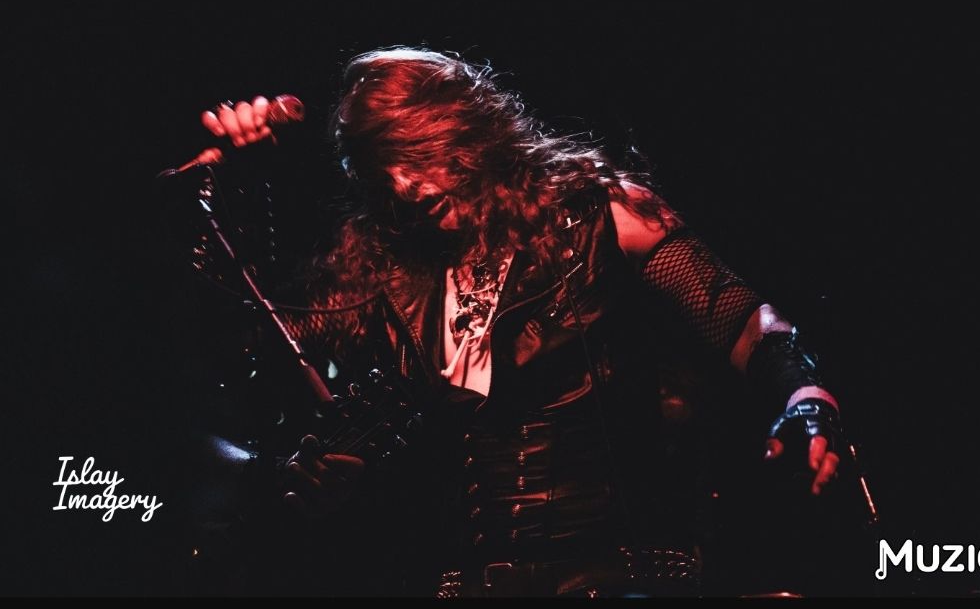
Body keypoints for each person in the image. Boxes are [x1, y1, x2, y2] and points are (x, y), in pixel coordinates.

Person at [195, 46, 846, 597]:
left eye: (413, 152)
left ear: (465, 129)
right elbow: (248, 351)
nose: (404, 184)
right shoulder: (385, 274)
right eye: (380, 170)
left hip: (618, 575)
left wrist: (805, 397)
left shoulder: (600, 214)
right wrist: (241, 187)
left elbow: (745, 322)